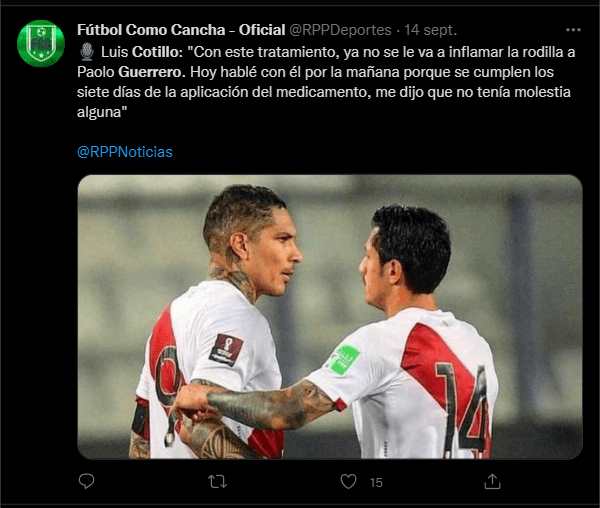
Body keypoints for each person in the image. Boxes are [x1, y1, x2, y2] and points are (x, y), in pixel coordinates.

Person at [172, 204, 499, 459]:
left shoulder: (382, 342)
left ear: (393, 271)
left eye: (368, 256)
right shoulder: (476, 344)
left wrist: (208, 396)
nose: (362, 267)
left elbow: (290, 409)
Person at [129, 184, 303, 458]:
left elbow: (141, 438)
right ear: (241, 245)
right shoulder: (237, 316)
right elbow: (196, 425)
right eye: (283, 239)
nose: (296, 254)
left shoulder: (170, 315)